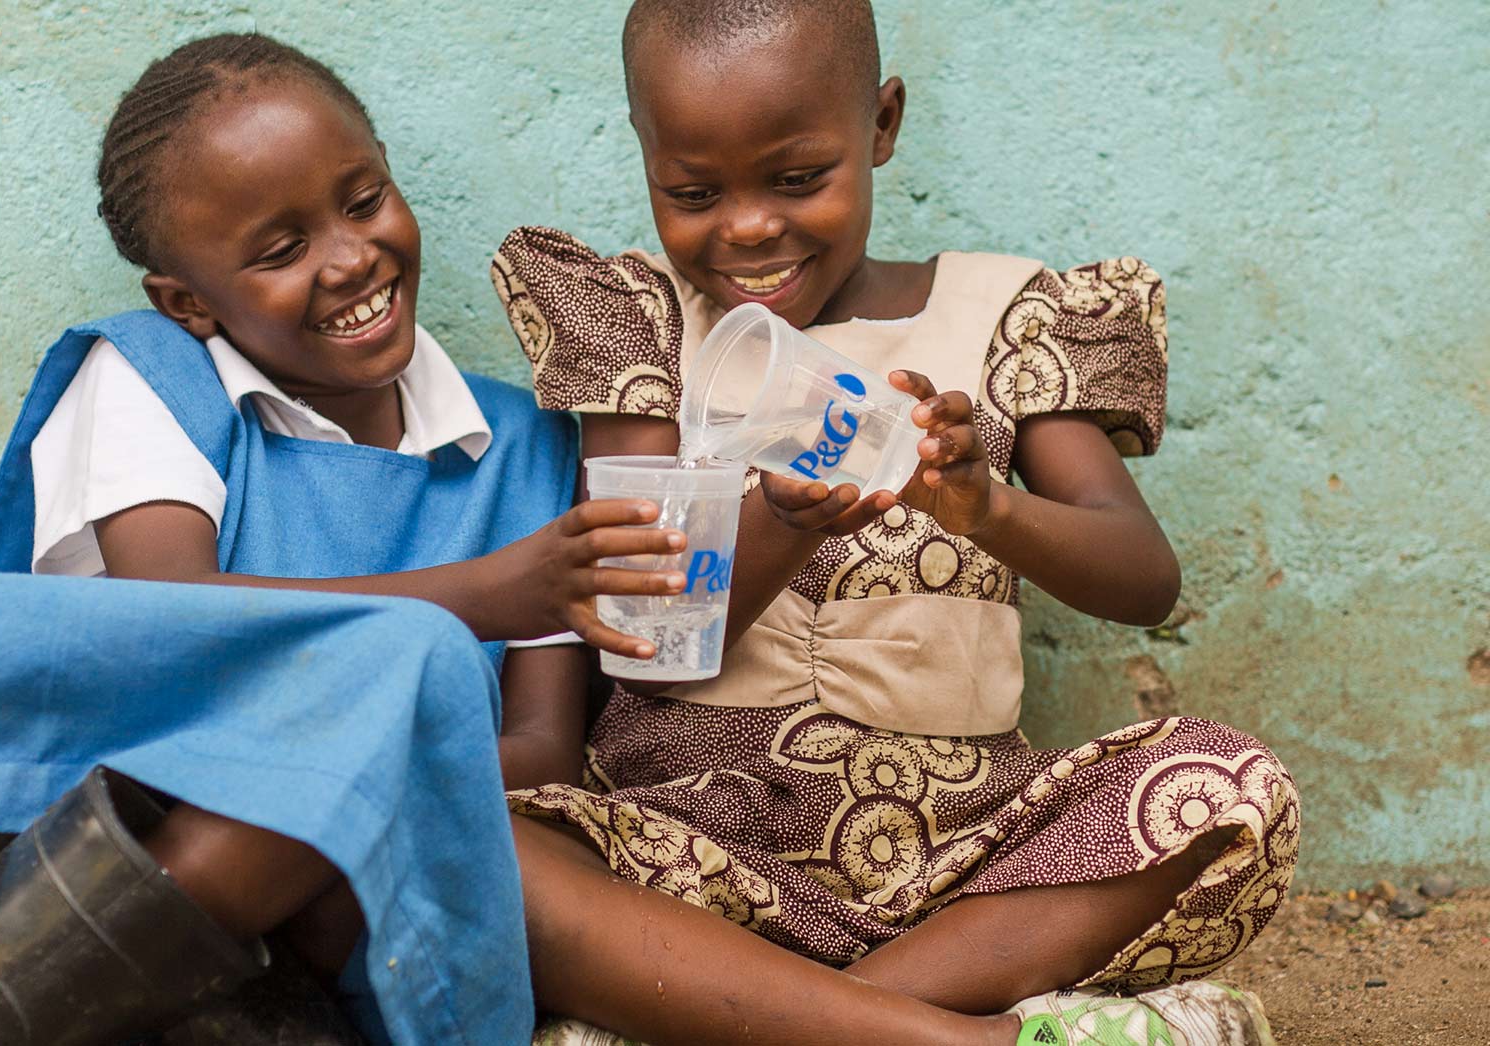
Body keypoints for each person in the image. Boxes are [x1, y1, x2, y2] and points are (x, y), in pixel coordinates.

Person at [0, 32, 1035, 1046]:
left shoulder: (515, 442)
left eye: (362, 197)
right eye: (276, 247)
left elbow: (538, 749)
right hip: (54, 806)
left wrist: (404, 722)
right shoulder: (148, 374)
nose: (348, 257)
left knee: (401, 697)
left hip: (328, 866)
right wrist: (483, 597)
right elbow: (179, 641)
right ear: (187, 298)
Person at [490, 2, 1299, 1042]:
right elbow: (647, 648)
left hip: (957, 864)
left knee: (1227, 789)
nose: (745, 227)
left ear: (880, 126)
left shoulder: (1002, 316)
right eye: (693, 192)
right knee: (495, 849)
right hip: (691, 849)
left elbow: (1144, 577)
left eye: (796, 178)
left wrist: (989, 505)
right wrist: (780, 520)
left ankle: (748, 1021)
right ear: (646, 156)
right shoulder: (644, 328)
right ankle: (971, 1034)